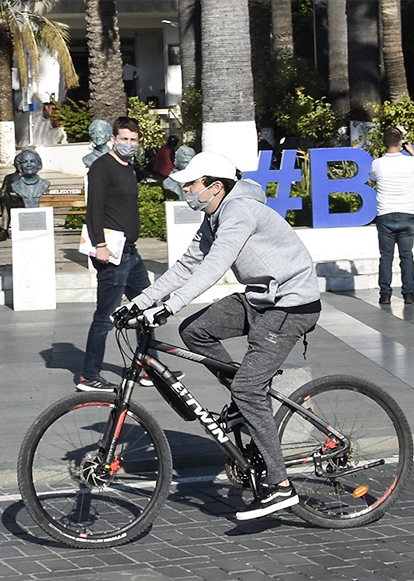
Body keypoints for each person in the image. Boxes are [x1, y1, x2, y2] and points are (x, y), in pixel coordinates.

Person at [113, 151, 321, 521]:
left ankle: (280, 486)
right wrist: (139, 302)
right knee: (196, 330)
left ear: (215, 186)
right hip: (260, 299)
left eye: (191, 184)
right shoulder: (213, 215)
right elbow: (187, 265)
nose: (186, 190)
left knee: (246, 387)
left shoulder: (239, 211)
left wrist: (169, 306)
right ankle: (246, 401)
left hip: (290, 306)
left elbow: (214, 266)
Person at [78, 117, 151, 392]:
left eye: (133, 140)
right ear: (113, 139)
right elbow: (93, 208)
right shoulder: (101, 167)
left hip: (131, 253)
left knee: (147, 310)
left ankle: (145, 367)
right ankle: (89, 375)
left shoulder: (128, 167)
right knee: (105, 316)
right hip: (111, 254)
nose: (129, 145)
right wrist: (99, 246)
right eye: (124, 139)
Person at [369, 127, 414, 305]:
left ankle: (385, 294)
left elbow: (372, 178)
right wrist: (413, 152)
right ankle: (408, 294)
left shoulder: (377, 163)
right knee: (406, 256)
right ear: (400, 143)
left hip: (385, 214)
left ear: (383, 143)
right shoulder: (410, 162)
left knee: (386, 257)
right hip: (407, 214)